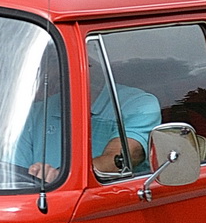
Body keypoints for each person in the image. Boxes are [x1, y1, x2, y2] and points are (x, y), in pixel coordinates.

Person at [17, 46, 160, 183]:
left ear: (88, 65)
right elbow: (13, 172)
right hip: (38, 201)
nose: (49, 73)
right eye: (46, 63)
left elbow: (119, 161)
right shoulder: (34, 113)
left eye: (55, 61)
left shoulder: (138, 104)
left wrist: (60, 177)